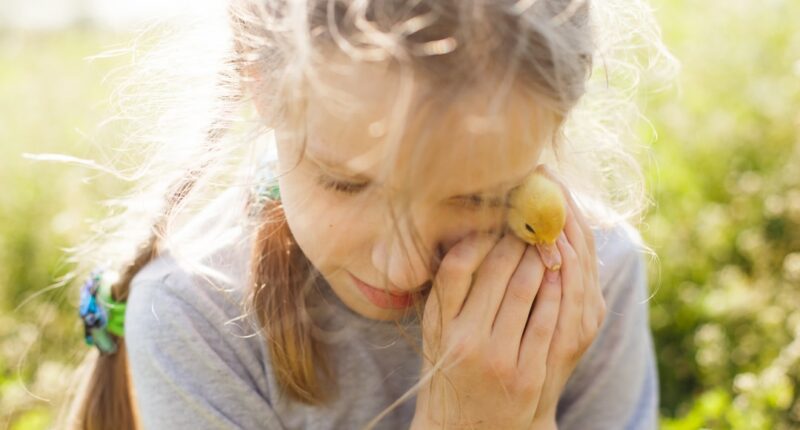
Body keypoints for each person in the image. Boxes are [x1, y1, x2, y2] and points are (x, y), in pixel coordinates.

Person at [65, 0, 676, 428]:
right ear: (259, 84)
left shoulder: (588, 283)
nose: (402, 266)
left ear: (555, 118)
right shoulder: (195, 319)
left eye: (477, 196)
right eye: (345, 183)